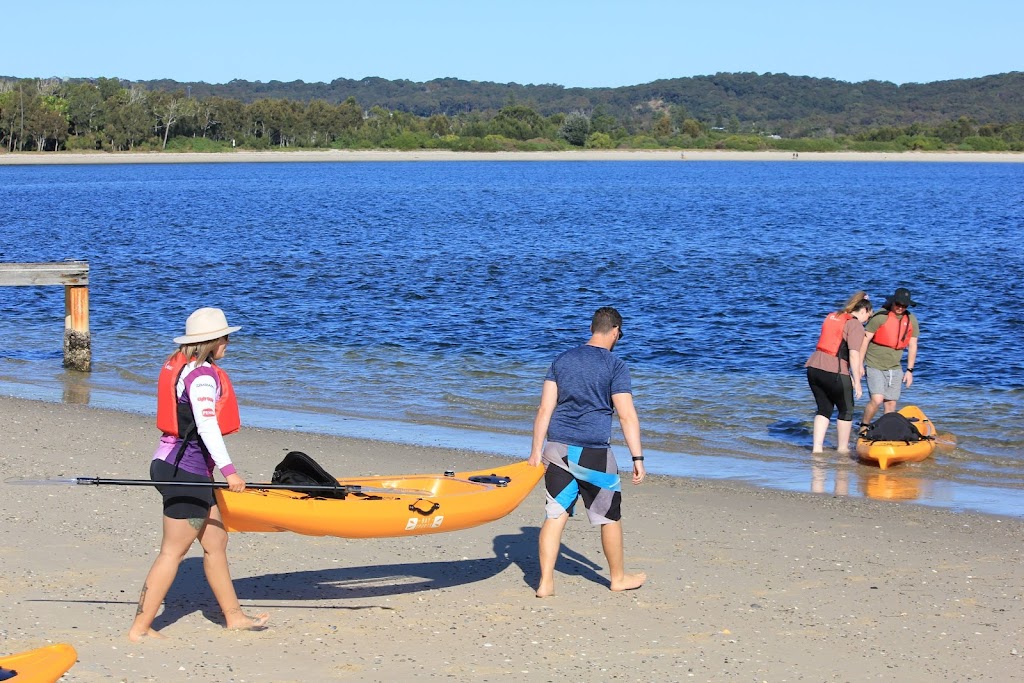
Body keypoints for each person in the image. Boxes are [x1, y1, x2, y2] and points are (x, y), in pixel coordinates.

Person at [128, 307, 268, 641]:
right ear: (213, 340)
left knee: (216, 540)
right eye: (225, 337)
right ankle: (140, 629)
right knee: (172, 552)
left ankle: (234, 617)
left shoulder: (189, 367)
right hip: (183, 471)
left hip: (180, 467)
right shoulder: (202, 378)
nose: (228, 343)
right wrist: (231, 472)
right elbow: (207, 426)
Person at [527, 306, 647, 598]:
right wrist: (637, 458)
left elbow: (545, 408)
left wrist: (535, 452)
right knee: (608, 516)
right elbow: (626, 415)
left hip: (556, 450)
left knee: (555, 515)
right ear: (616, 331)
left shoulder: (562, 359)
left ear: (593, 328)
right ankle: (617, 578)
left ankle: (545, 583)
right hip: (593, 453)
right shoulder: (615, 365)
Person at [805, 292, 873, 453]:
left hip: (813, 368)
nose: (867, 321)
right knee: (846, 410)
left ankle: (817, 449)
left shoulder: (833, 316)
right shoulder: (855, 324)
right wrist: (857, 382)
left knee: (824, 409)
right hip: (834, 370)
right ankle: (842, 450)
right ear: (863, 310)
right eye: (868, 317)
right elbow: (854, 354)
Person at [858, 287, 920, 429]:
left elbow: (913, 345)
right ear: (892, 303)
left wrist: (909, 371)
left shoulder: (911, 320)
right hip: (874, 364)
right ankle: (864, 426)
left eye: (904, 305)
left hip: (895, 367)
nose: (900, 308)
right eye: (898, 304)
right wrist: (860, 365)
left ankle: (886, 431)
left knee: (891, 403)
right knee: (877, 399)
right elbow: (865, 340)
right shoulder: (880, 317)